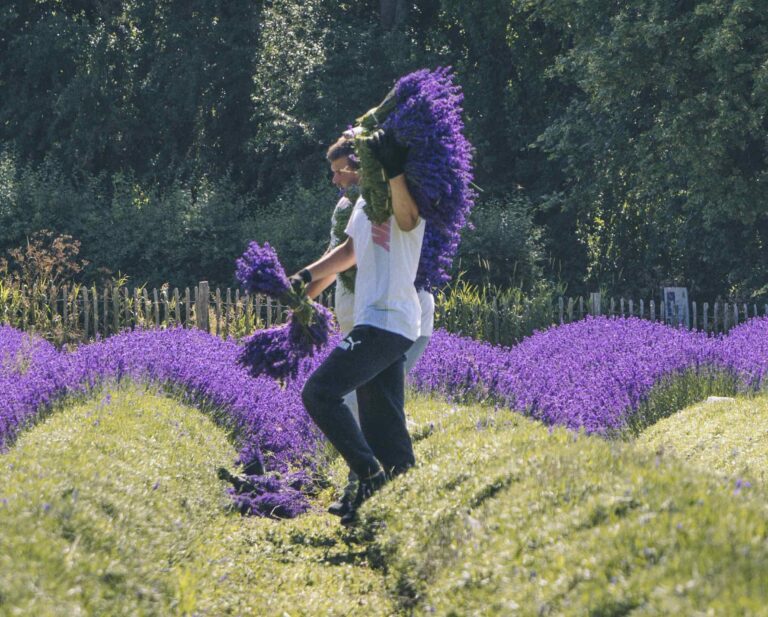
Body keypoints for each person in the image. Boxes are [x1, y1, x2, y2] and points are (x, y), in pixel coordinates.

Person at [294, 128, 424, 525]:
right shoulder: (366, 202)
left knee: (319, 392)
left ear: (362, 164)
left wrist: (395, 169)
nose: (338, 178)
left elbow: (409, 219)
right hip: (375, 320)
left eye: (343, 169)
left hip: (389, 319)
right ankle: (400, 511)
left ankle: (370, 476)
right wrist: (304, 276)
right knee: (383, 423)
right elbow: (349, 252)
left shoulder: (403, 193)